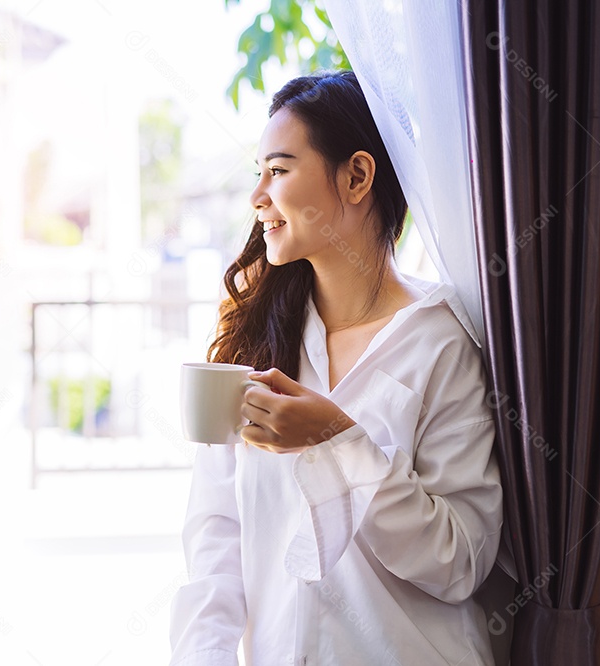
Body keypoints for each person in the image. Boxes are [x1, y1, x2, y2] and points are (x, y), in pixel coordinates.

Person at [168, 70, 503, 665]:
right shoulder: (256, 340)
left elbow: (459, 563)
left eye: (279, 169)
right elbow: (216, 536)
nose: (257, 197)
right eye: (259, 174)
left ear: (356, 176)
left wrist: (337, 440)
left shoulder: (441, 343)